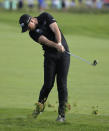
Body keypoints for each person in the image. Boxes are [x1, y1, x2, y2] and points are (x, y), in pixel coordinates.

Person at [19, 12, 70, 122]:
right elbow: (44, 41)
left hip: (64, 54)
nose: (28, 29)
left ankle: (62, 115)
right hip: (50, 56)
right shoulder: (32, 34)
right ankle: (39, 108)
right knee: (48, 84)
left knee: (61, 84)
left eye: (28, 27)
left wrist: (60, 43)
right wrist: (56, 45)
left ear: (32, 20)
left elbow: (55, 28)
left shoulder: (45, 16)